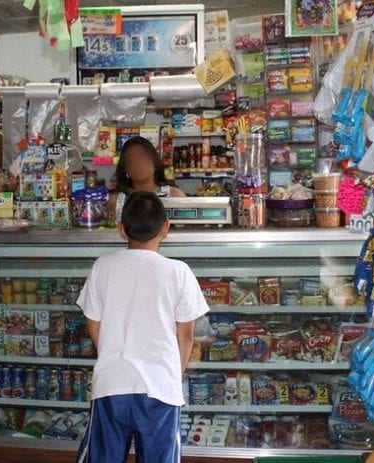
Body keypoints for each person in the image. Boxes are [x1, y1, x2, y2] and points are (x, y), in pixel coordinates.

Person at [76, 191, 210, 463]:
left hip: (112, 384)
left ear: (121, 229)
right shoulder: (179, 271)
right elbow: (186, 335)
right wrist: (175, 372)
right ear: (166, 228)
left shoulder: (103, 266)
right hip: (160, 387)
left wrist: (112, 350)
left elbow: (92, 320)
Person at [110, 136, 185, 224]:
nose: (138, 164)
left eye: (143, 158)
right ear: (125, 168)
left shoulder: (174, 196)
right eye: (132, 160)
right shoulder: (116, 201)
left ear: (155, 162)